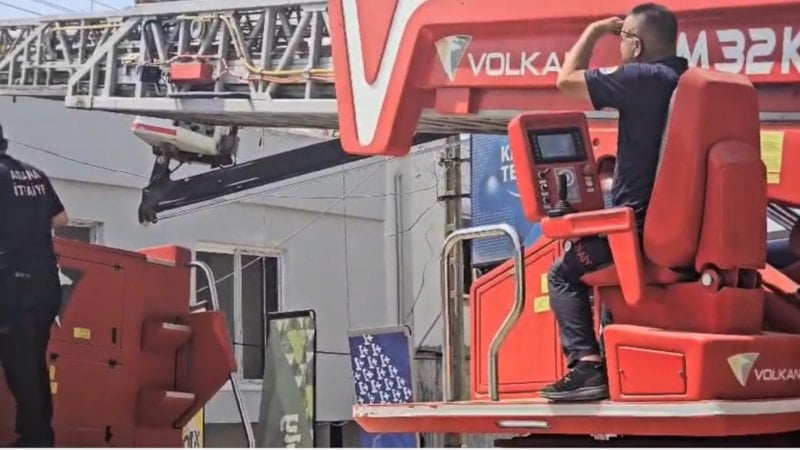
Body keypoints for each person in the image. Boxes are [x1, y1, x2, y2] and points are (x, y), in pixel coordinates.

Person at [540, 3, 688, 402]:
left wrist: (593, 31)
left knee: (562, 274)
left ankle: (587, 366)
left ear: (635, 45)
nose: (620, 48)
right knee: (606, 273)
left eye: (622, 41)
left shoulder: (643, 78)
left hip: (635, 230)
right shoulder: (686, 81)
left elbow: (565, 81)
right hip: (673, 229)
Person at [0, 124, 68, 446]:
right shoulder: (34, 174)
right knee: (30, 362)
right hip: (44, 281)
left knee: (20, 365)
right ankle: (36, 436)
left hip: (12, 282)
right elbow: (61, 218)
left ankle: (36, 438)